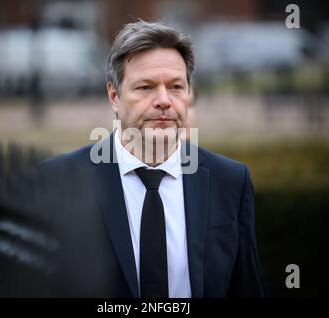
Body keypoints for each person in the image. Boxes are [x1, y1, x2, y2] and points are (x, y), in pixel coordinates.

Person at [39, 20, 266, 298]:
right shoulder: (57, 182)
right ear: (114, 95)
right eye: (145, 87)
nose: (163, 101)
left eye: (175, 87)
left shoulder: (230, 181)